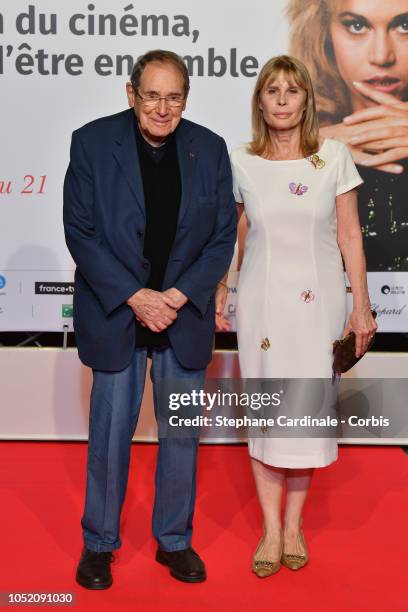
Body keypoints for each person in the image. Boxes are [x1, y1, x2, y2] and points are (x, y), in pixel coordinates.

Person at [63, 49, 236, 589]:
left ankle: (175, 541)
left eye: (175, 97)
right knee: (109, 437)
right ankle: (98, 545)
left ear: (187, 97)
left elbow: (222, 236)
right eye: (153, 95)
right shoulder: (92, 142)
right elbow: (81, 233)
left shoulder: (209, 149)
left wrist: (178, 296)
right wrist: (138, 296)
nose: (163, 108)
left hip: (182, 317)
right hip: (119, 314)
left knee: (182, 435)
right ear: (131, 93)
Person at [216, 55, 377, 577]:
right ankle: (268, 527)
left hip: (320, 305)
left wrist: (362, 305)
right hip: (262, 304)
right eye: (272, 91)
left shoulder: (333, 156)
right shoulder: (240, 161)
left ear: (307, 98)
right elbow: (233, 236)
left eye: (292, 90)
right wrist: (222, 286)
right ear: (259, 101)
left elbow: (350, 235)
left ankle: (293, 526)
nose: (282, 100)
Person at [287, 0, 408, 271]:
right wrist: (302, 148)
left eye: (404, 26)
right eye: (357, 25)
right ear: (323, 34)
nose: (381, 55)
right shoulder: (297, 140)